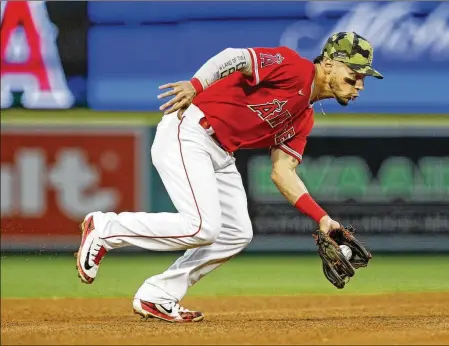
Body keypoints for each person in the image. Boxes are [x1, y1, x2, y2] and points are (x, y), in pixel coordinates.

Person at [75, 31, 383, 323]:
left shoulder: (305, 117)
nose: (359, 84)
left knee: (236, 232)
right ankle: (105, 229)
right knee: (201, 226)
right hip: (191, 128)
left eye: (363, 78)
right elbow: (236, 57)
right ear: (328, 63)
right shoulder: (295, 68)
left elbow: (282, 172)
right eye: (354, 73)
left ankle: (158, 294)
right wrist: (197, 84)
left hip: (220, 152)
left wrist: (322, 218)